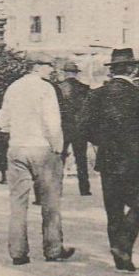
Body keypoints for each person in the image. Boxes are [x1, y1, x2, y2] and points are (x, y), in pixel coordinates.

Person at [80, 47, 139, 273]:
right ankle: (124, 245)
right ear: (131, 69)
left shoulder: (97, 94)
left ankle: (120, 255)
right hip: (138, 162)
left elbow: (84, 128)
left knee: (114, 209)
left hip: (109, 161)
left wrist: (103, 142)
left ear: (113, 70)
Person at [0, 60, 75, 265]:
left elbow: (3, 122)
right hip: (41, 148)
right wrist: (58, 148)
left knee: (17, 203)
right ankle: (53, 248)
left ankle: (17, 252)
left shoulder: (13, 88)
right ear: (38, 67)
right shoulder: (45, 88)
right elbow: (52, 122)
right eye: (49, 65)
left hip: (17, 148)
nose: (51, 70)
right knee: (50, 202)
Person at [52, 60, 91, 196]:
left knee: (60, 158)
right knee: (81, 158)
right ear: (76, 74)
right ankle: (84, 189)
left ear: (64, 73)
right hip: (80, 128)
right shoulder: (85, 88)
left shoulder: (57, 88)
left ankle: (58, 188)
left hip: (64, 128)